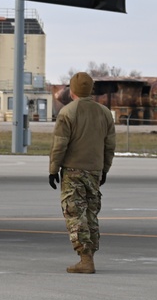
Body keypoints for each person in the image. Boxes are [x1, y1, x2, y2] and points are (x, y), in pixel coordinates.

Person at [48, 71, 115, 273]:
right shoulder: (104, 112)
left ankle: (85, 259)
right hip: (94, 170)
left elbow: (60, 144)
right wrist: (104, 169)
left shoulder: (68, 112)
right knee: (91, 213)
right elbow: (109, 145)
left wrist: (53, 169)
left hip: (73, 171)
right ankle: (90, 256)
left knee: (75, 214)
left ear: (73, 90)